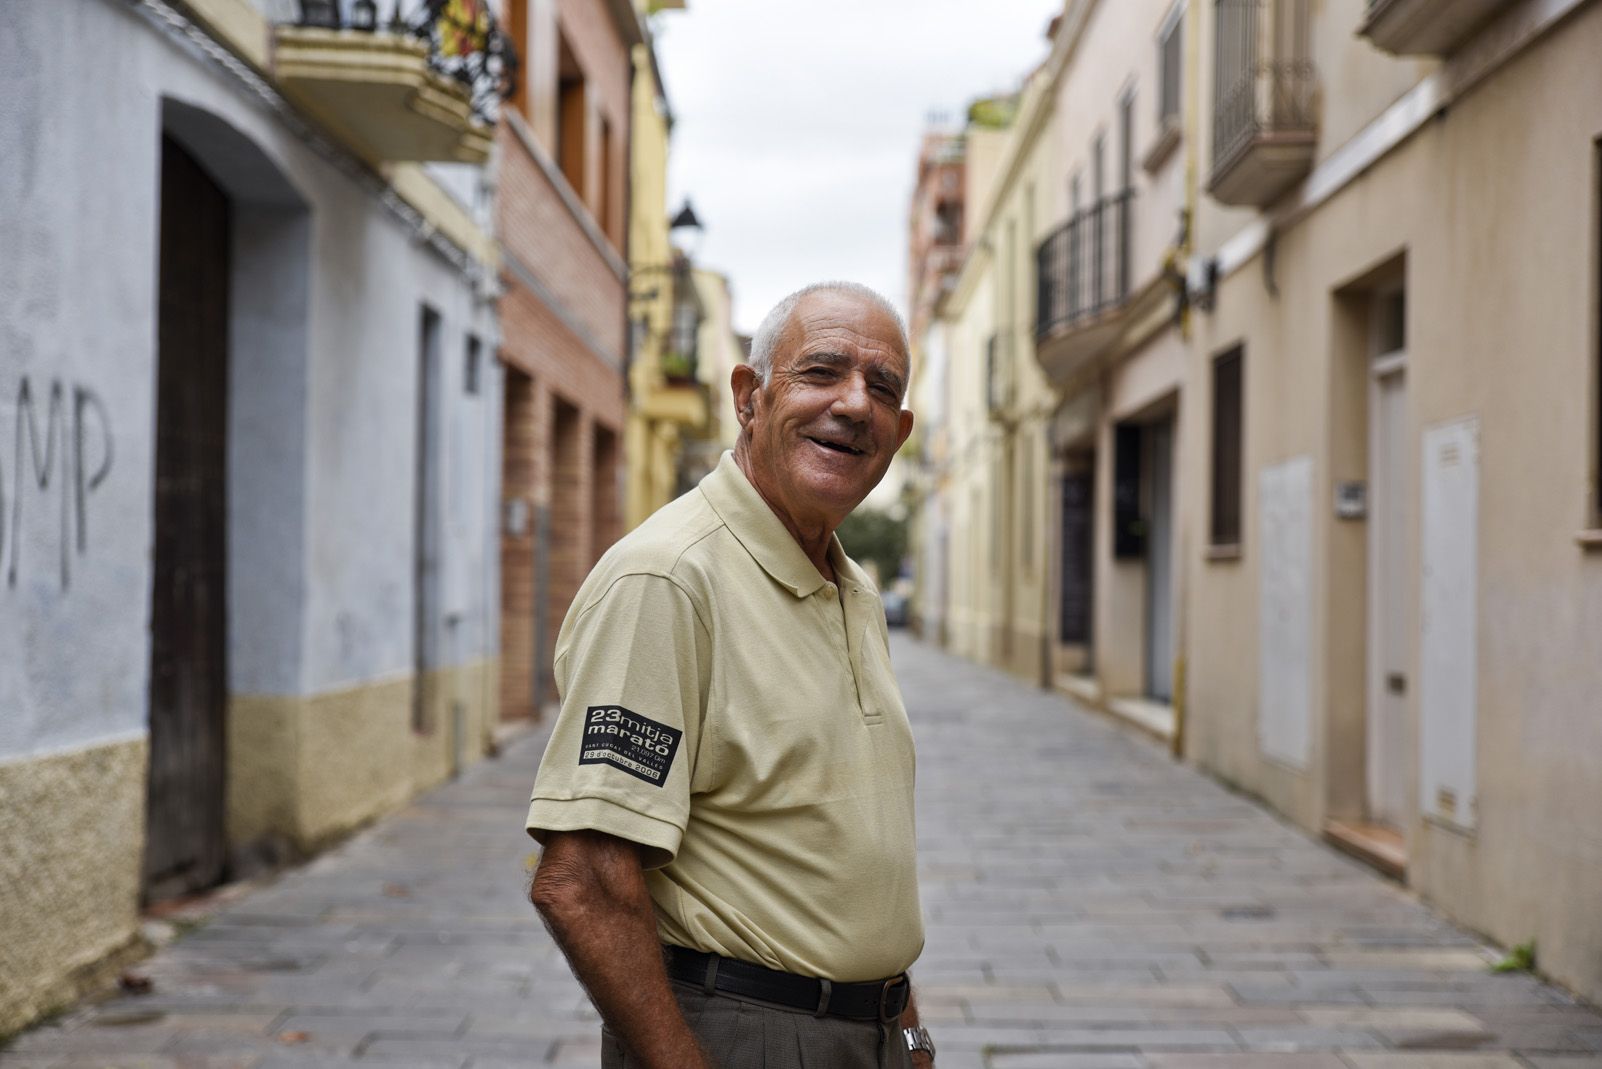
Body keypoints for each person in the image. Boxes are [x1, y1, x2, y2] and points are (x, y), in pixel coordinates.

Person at [524, 281, 936, 1068]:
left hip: (869, 1034)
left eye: (882, 387)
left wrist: (907, 1031)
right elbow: (580, 877)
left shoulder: (851, 588)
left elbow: (850, 856)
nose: (854, 404)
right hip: (747, 1035)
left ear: (901, 430)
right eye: (821, 372)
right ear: (748, 396)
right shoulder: (670, 578)